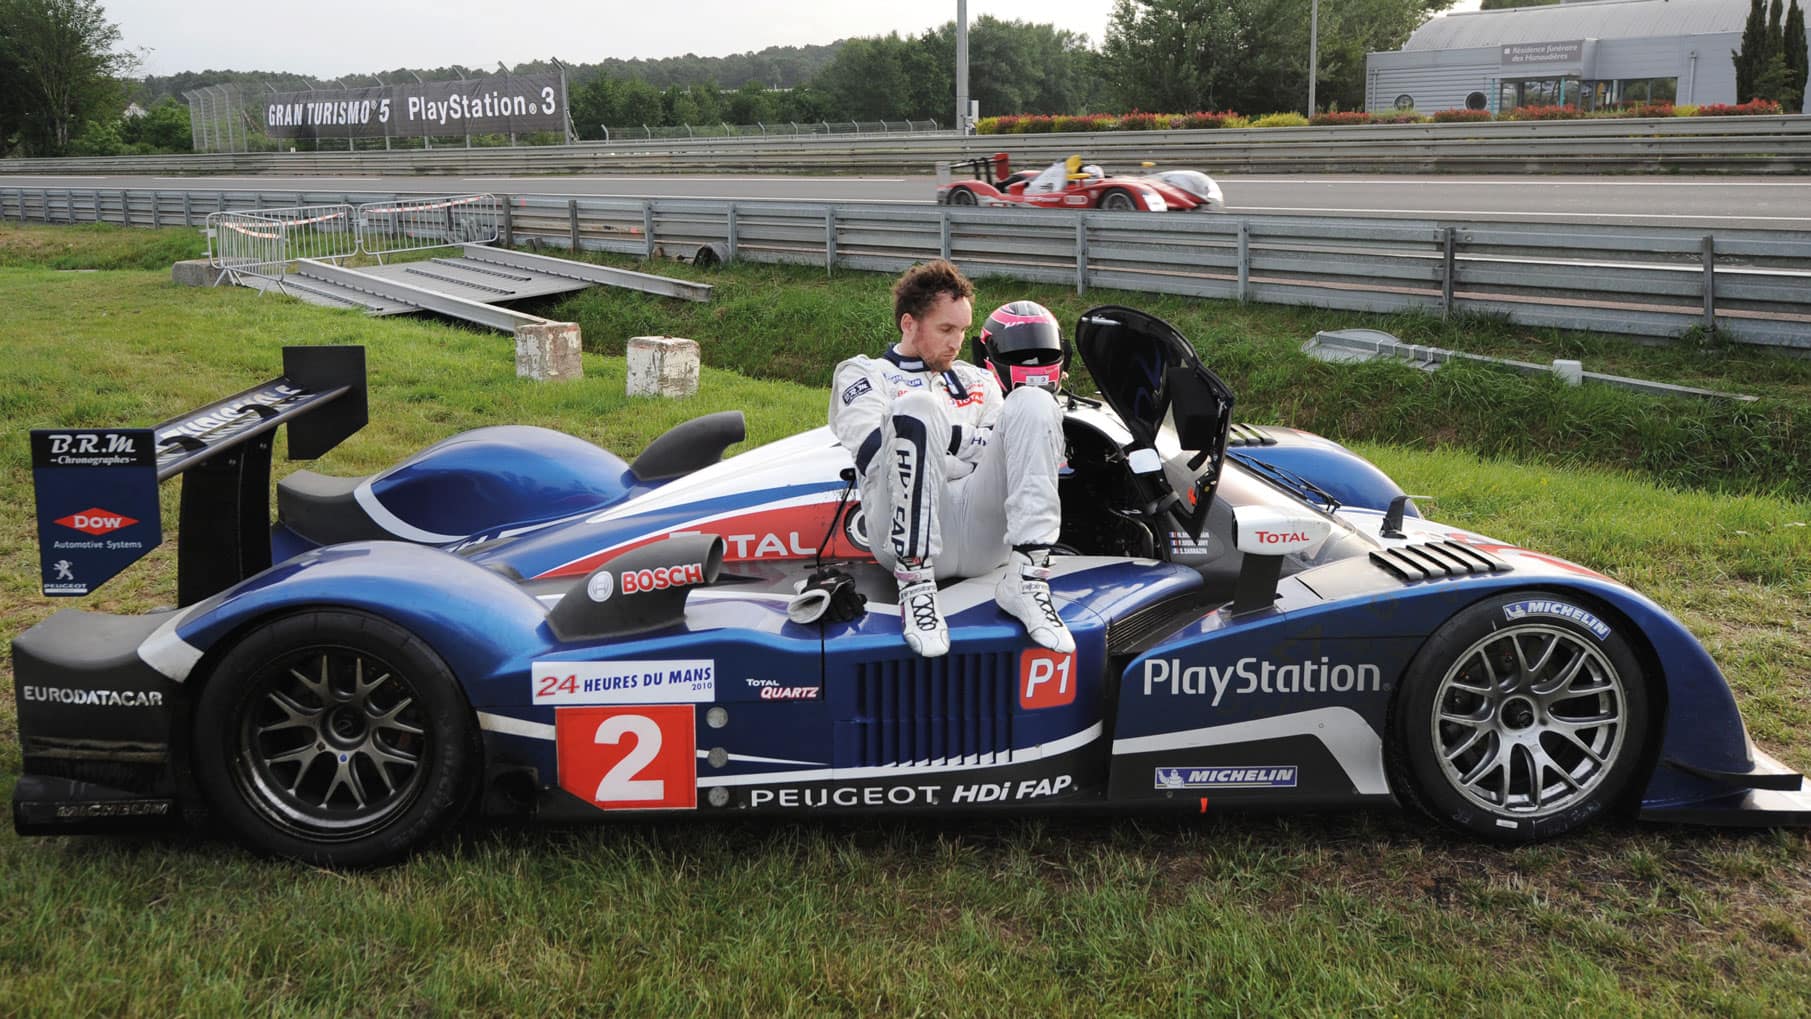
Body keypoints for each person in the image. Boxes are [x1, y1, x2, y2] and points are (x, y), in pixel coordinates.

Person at [828, 260, 1073, 658]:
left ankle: (1028, 578)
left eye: (962, 330)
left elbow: (1011, 449)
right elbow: (876, 458)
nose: (956, 342)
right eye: (945, 329)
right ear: (909, 324)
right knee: (917, 409)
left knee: (1033, 400)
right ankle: (916, 586)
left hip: (983, 538)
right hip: (903, 536)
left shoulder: (976, 379)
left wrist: (942, 442)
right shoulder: (863, 375)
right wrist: (960, 444)